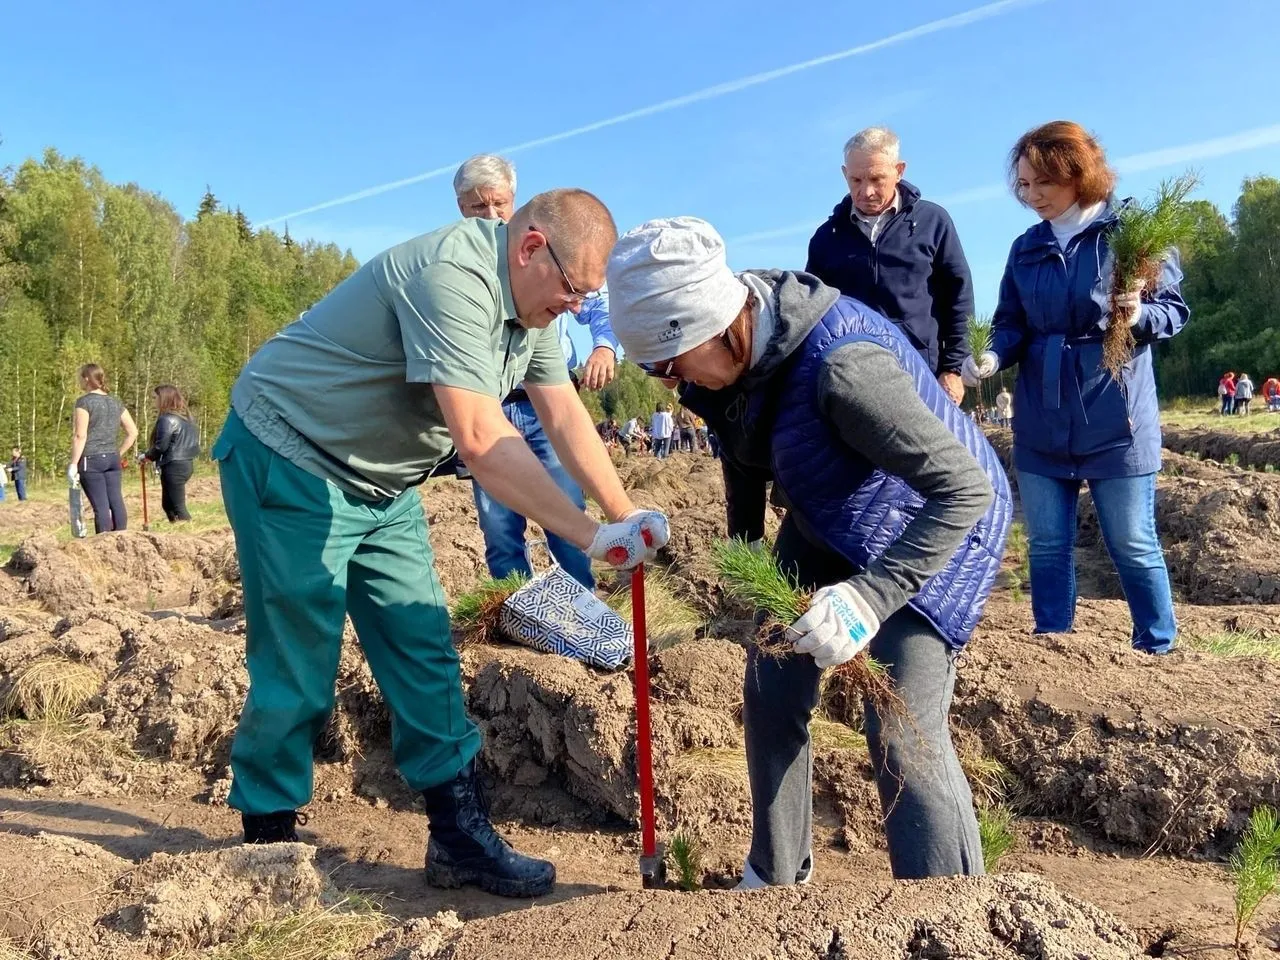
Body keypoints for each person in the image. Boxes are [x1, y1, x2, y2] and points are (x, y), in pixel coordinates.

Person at [212, 187, 669, 899]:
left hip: (381, 482)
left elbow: (564, 413)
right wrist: (587, 535)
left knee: (422, 643)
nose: (577, 308)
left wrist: (622, 512)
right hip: (290, 453)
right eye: (574, 289)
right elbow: (485, 442)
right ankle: (267, 838)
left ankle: (459, 838)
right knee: (301, 650)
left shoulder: (534, 307)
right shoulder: (451, 279)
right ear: (530, 248)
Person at [608, 216, 1011, 886]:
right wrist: (744, 563)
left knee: (902, 729)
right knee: (771, 684)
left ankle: (951, 912)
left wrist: (870, 596)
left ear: (711, 322)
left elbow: (964, 489)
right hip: (828, 509)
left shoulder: (844, 367)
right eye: (654, 371)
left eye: (669, 365)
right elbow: (743, 451)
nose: (669, 385)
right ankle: (775, 877)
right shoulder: (727, 363)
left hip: (926, 523)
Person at [963, 120, 1188, 655]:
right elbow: (1012, 322)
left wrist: (1137, 316)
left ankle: (1157, 647)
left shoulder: (1129, 236)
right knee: (1047, 545)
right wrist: (993, 355)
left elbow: (1174, 312)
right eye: (1024, 185)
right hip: (1042, 416)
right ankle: (1054, 648)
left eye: (1044, 183)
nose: (1032, 195)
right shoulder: (1027, 248)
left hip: (1116, 414)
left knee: (1132, 543)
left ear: (1078, 175)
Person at [454, 155, 621, 590]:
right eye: (477, 208)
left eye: (499, 205)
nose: (490, 216)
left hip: (547, 404)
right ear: (460, 208)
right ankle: (517, 613)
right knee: (499, 529)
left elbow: (597, 305)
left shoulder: (554, 254)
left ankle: (583, 610)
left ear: (515, 203)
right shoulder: (463, 273)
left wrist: (604, 345)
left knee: (568, 514)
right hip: (490, 408)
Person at [806, 127, 976, 406]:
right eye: (856, 180)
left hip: (923, 377)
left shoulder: (933, 222)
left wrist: (953, 367)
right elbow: (813, 314)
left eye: (876, 179)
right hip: (852, 381)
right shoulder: (827, 238)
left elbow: (959, 297)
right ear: (844, 174)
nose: (866, 191)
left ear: (899, 170)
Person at [69, 363, 139, 534]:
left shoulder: (84, 402)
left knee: (101, 506)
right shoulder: (115, 401)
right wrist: (118, 453)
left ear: (86, 379)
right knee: (116, 502)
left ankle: (103, 546)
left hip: (91, 459)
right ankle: (122, 540)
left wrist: (73, 463)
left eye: (80, 377)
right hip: (112, 458)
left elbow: (80, 435)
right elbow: (133, 432)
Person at [141, 384, 201, 523]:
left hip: (174, 466)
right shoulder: (186, 419)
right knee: (168, 505)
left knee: (178, 506)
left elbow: (161, 446)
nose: (153, 401)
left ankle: (187, 534)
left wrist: (147, 456)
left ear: (163, 399)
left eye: (155, 398)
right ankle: (176, 530)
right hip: (185, 464)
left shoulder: (167, 419)